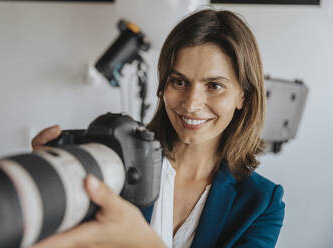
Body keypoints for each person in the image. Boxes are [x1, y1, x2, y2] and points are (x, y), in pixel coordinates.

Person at [31, 8, 285, 248]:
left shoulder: (262, 204)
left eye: (214, 85)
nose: (191, 104)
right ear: (163, 86)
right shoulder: (113, 162)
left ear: (243, 95)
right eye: (179, 82)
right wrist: (50, 185)